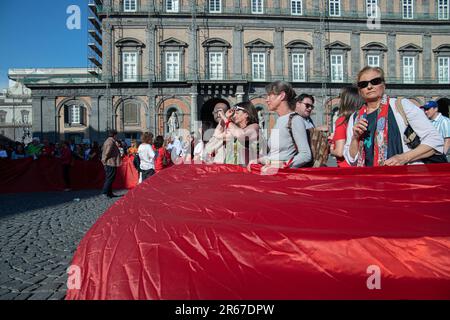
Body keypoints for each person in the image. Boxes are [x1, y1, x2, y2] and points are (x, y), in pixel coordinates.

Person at [344, 66, 444, 167]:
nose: (369, 86)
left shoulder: (401, 105)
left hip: (404, 176)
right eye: (363, 84)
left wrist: (403, 158)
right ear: (360, 91)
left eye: (375, 81)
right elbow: (352, 160)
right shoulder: (355, 117)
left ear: (384, 85)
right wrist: (355, 138)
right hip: (370, 179)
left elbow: (434, 140)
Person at [252, 81, 311, 171]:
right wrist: (259, 160)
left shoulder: (295, 120)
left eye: (269, 95)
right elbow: (276, 155)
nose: (266, 99)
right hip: (273, 174)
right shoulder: (280, 120)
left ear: (282, 96)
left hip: (284, 176)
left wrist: (283, 165)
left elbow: (305, 155)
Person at [210, 101, 261, 166]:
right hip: (231, 171)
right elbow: (217, 135)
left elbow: (241, 135)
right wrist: (224, 117)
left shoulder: (255, 127)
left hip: (247, 172)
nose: (234, 116)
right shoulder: (234, 130)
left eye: (237, 113)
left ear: (246, 114)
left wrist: (225, 119)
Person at [330, 86, 365, 167]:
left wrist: (330, 150)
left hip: (345, 167)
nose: (339, 101)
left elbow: (339, 152)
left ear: (346, 101)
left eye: (341, 98)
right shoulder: (360, 118)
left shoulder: (342, 121)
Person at [101, 129, 122, 198]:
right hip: (110, 162)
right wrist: (104, 160)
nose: (117, 137)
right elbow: (107, 152)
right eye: (116, 135)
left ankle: (109, 193)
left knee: (110, 178)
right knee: (109, 178)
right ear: (114, 135)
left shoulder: (109, 141)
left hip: (110, 162)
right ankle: (104, 192)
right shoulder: (111, 142)